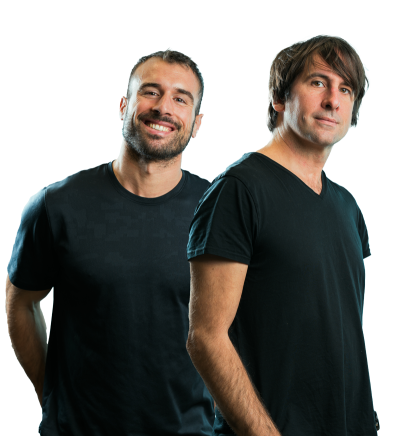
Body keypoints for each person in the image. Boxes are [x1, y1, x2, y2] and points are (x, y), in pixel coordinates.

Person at [6, 47, 214, 436]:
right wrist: (51, 396)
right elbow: (22, 301)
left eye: (180, 99)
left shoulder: (220, 213)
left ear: (196, 123)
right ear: (123, 106)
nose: (163, 107)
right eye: (150, 92)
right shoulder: (57, 204)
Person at [186, 34, 380, 436]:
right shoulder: (238, 191)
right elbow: (206, 338)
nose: (333, 100)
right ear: (279, 98)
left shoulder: (347, 206)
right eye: (318, 82)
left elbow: (338, 337)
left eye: (346, 89)